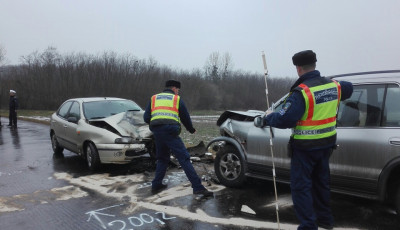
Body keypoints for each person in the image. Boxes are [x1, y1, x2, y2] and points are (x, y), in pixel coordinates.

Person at [257, 50, 353, 230]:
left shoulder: (302, 92)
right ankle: (325, 220)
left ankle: (308, 226)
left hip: (305, 149)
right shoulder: (335, 86)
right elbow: (350, 88)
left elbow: (285, 119)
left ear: (298, 68)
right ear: (314, 65)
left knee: (301, 188)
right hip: (327, 145)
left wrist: (269, 117)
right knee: (321, 183)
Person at [143, 79, 213, 197]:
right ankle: (197, 187)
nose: (178, 92)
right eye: (178, 90)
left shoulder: (154, 98)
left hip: (157, 132)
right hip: (170, 132)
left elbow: (146, 118)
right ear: (174, 88)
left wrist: (158, 124)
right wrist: (191, 129)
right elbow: (185, 117)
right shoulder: (176, 99)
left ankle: (156, 184)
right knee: (184, 158)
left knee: (162, 158)